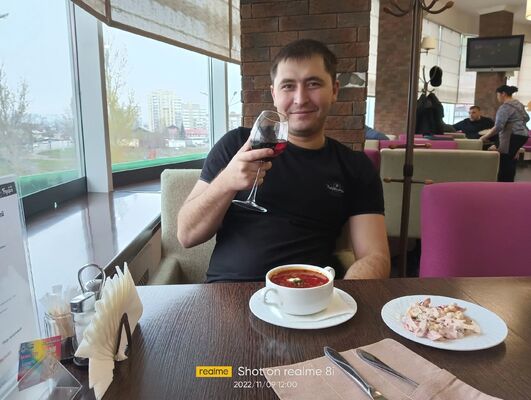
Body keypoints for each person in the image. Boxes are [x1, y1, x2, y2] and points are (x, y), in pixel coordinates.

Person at [177, 39, 390, 282]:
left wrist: (343, 297)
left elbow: (375, 256)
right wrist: (226, 182)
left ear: (334, 91)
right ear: (274, 94)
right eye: (288, 86)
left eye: (313, 84)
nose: (300, 98)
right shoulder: (236, 144)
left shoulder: (355, 166)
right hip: (228, 292)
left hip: (308, 295)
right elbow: (186, 235)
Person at [480, 85, 530, 182]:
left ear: (503, 94)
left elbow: (498, 126)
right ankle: (509, 184)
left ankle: (503, 184)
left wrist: (484, 137)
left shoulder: (505, 107)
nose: (497, 97)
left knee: (504, 160)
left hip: (511, 135)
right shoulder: (518, 104)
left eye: (497, 95)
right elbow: (527, 118)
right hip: (522, 135)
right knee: (511, 159)